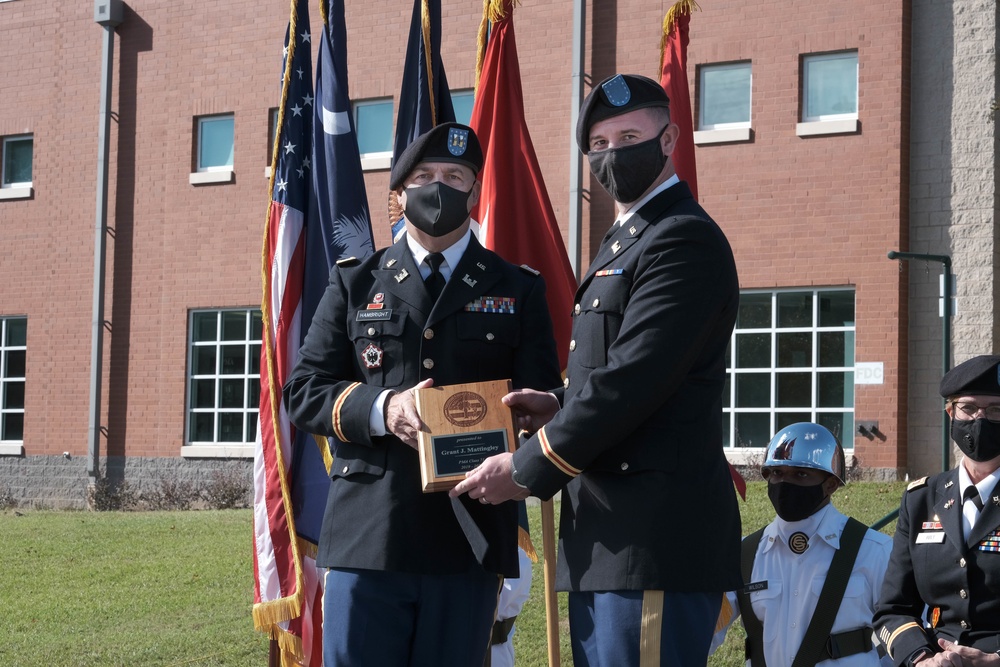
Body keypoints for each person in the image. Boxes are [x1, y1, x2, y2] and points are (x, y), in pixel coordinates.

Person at [451, 73, 742, 665]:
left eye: (630, 135)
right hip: (607, 538)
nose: (614, 154)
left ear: (669, 139)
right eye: (600, 145)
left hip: (652, 537)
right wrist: (558, 403)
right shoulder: (625, 239)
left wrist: (527, 468)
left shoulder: (682, 238)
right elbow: (618, 374)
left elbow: (634, 380)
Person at [283, 122, 561, 667]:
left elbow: (544, 395)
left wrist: (531, 427)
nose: (440, 188)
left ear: (475, 190)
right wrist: (385, 408)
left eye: (455, 176)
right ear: (399, 193)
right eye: (425, 177)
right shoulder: (355, 282)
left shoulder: (517, 287)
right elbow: (304, 390)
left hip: (469, 534)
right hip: (370, 533)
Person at [711, 422, 892, 666]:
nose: (784, 484)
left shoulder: (874, 551)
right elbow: (703, 633)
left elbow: (908, 635)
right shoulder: (745, 555)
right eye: (777, 473)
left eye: (801, 474)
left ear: (831, 484)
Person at [873, 355, 1000, 667]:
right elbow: (892, 609)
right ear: (950, 413)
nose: (979, 420)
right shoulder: (920, 499)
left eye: (995, 410)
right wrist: (921, 658)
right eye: (968, 408)